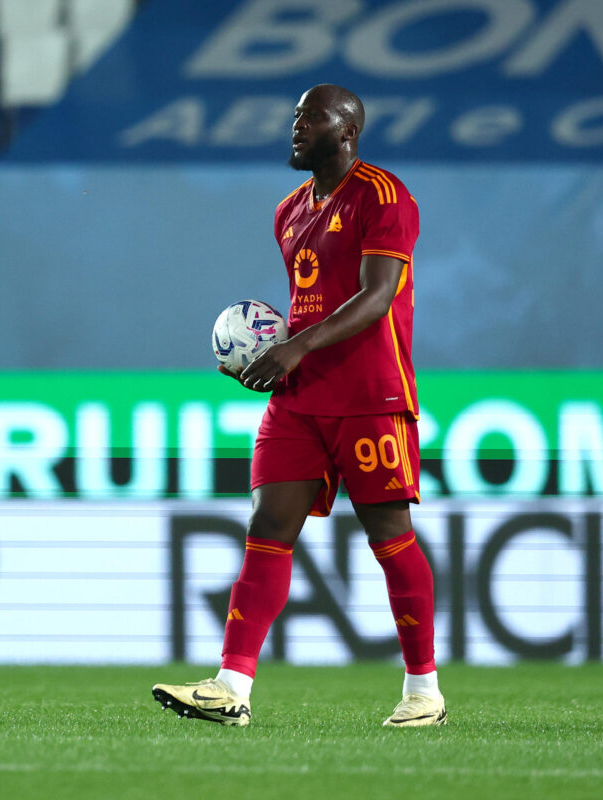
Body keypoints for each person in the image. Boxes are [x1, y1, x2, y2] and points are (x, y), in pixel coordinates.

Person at [152, 85, 444, 728]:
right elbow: (310, 305)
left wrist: (295, 348)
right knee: (267, 527)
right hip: (300, 398)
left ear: (347, 131)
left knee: (389, 537)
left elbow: (376, 296)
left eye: (310, 117)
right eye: (295, 116)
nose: (296, 126)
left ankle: (424, 691)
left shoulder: (384, 196)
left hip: (370, 394)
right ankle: (231, 687)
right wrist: (270, 354)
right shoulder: (288, 210)